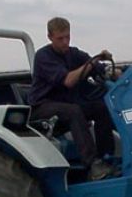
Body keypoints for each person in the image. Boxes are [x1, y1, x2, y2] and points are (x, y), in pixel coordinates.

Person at [29, 16, 117, 181]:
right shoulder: (43, 56)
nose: (65, 42)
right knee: (73, 111)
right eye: (60, 38)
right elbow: (68, 81)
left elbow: (99, 68)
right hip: (43, 107)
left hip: (65, 105)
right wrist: (91, 64)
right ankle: (92, 164)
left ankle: (106, 157)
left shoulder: (74, 54)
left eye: (67, 37)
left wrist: (119, 73)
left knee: (100, 107)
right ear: (50, 37)